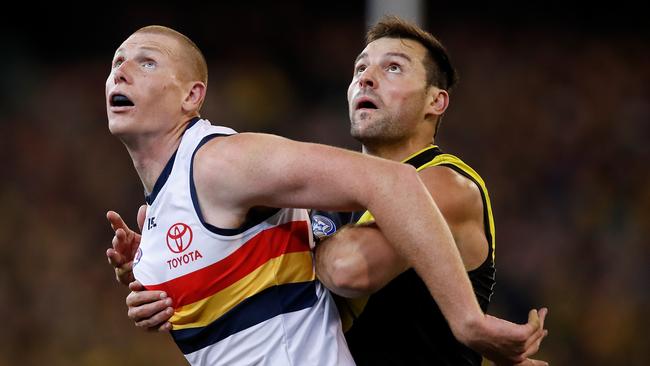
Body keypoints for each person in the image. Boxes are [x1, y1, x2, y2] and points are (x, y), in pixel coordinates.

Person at [105, 25, 546, 366]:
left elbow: (347, 266)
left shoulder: (447, 183)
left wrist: (470, 324)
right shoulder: (332, 207)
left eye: (392, 68)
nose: (367, 79)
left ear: (437, 101)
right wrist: (163, 272)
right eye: (359, 69)